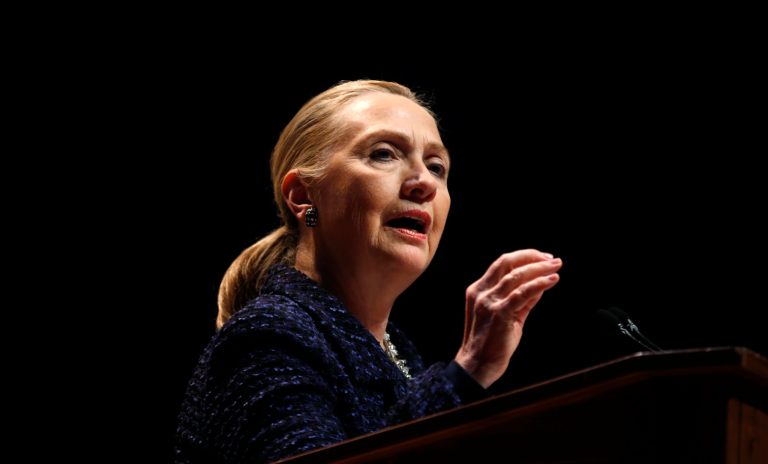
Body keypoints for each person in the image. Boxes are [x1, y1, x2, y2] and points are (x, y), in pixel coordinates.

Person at [175, 79, 562, 463]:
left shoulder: (399, 351)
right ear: (303, 196)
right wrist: (469, 369)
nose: (424, 182)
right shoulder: (266, 337)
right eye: (383, 154)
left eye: (436, 166)